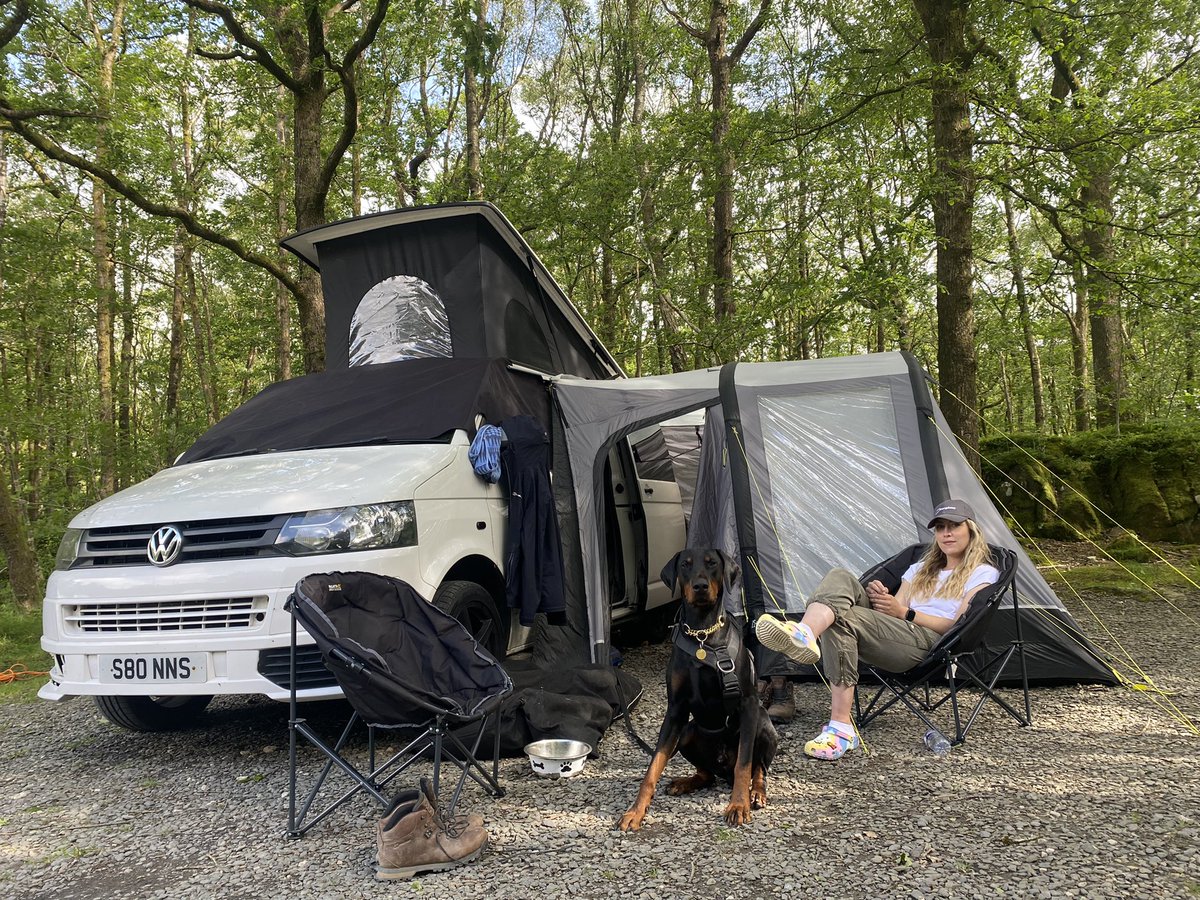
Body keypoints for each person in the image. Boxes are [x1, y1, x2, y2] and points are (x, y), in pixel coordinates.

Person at [754, 499, 999, 760]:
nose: (946, 533)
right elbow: (895, 609)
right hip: (897, 632)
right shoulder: (920, 568)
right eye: (940, 527)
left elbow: (959, 624)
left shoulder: (982, 572)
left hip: (931, 642)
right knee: (840, 576)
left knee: (842, 619)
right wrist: (882, 600)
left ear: (971, 530)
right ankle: (805, 632)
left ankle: (841, 729)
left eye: (954, 526)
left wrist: (904, 613)